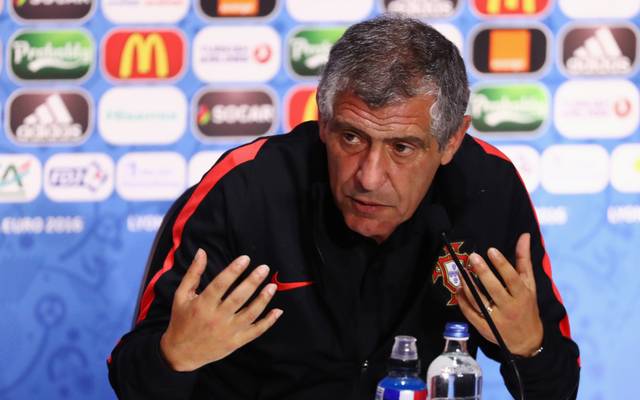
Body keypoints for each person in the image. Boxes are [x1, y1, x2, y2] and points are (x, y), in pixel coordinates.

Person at [108, 15, 580, 400]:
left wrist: (529, 348)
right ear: (323, 118)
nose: (369, 177)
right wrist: (176, 356)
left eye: (402, 148)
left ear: (452, 140)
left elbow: (558, 389)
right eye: (351, 137)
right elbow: (130, 379)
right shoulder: (244, 191)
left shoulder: (488, 191)